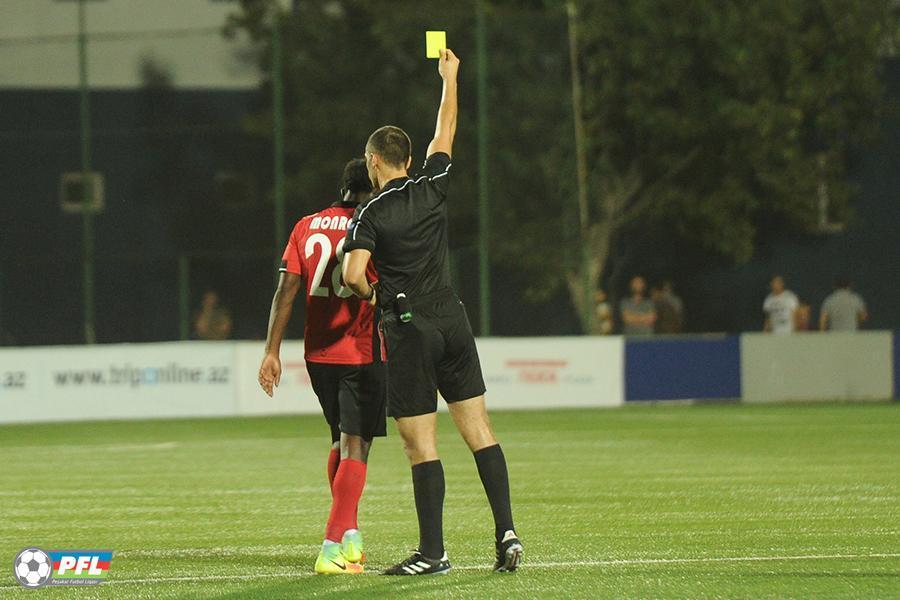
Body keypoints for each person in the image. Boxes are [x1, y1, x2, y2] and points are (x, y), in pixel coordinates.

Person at [341, 49, 523, 576]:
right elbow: (446, 128)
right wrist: (450, 77)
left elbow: (353, 274)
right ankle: (507, 532)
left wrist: (374, 297)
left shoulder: (371, 212)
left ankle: (433, 552)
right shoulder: (432, 185)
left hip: (410, 325)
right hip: (452, 317)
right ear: (409, 158)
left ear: (373, 161)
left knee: (420, 442)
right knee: (480, 430)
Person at [257, 158, 385, 575]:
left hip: (317, 355)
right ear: (371, 187)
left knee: (339, 440)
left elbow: (285, 291)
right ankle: (331, 545)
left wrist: (272, 351)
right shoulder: (372, 225)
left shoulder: (305, 225)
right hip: (360, 350)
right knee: (356, 446)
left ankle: (350, 534)